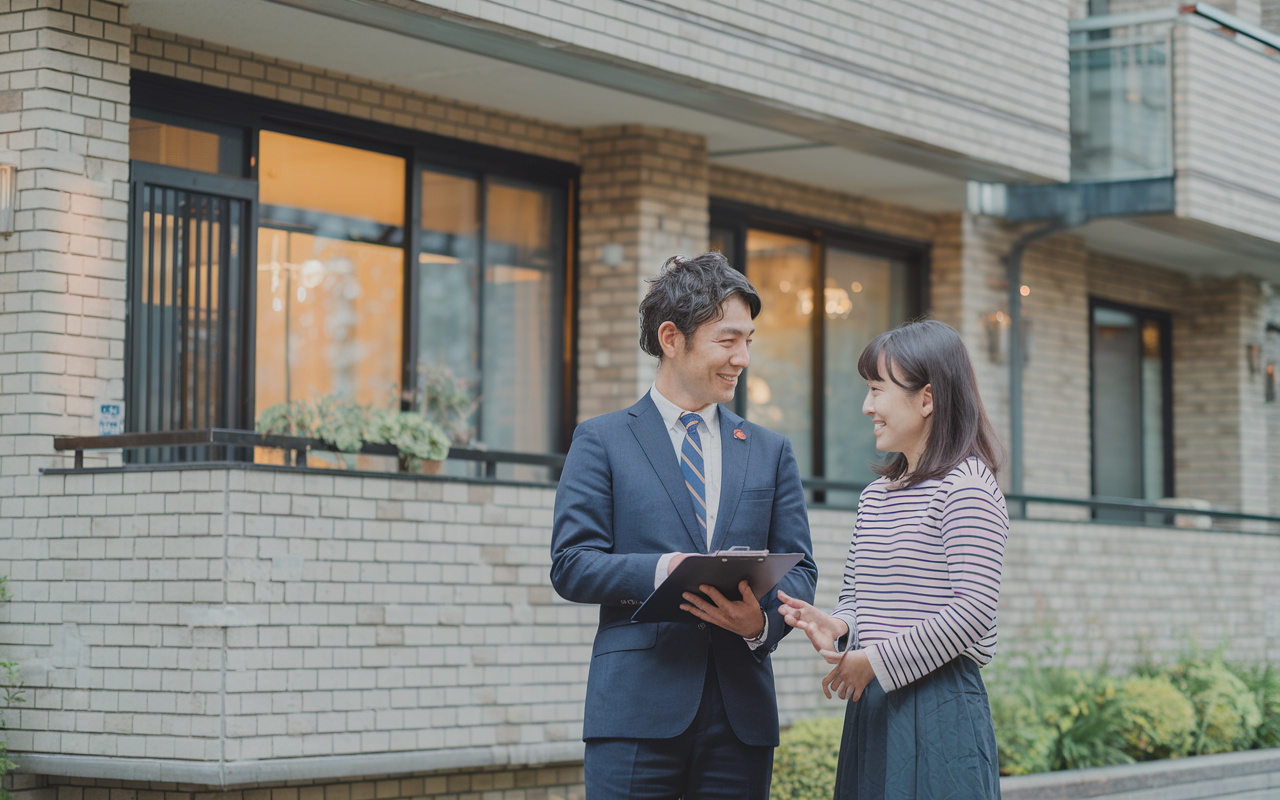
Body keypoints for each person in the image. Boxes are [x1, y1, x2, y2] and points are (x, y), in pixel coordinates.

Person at [551, 251, 818, 799]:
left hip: (741, 717)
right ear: (671, 338)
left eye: (749, 340)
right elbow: (572, 565)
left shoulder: (770, 451)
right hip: (634, 713)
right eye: (727, 340)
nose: (742, 358)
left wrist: (760, 625)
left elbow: (801, 569)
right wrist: (665, 569)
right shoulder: (601, 440)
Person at [778, 319, 1007, 799]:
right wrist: (838, 625)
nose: (867, 406)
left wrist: (875, 661)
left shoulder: (967, 488)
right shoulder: (875, 497)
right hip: (875, 702)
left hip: (941, 706)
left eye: (878, 390)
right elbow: (856, 595)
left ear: (927, 398)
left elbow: (973, 611)